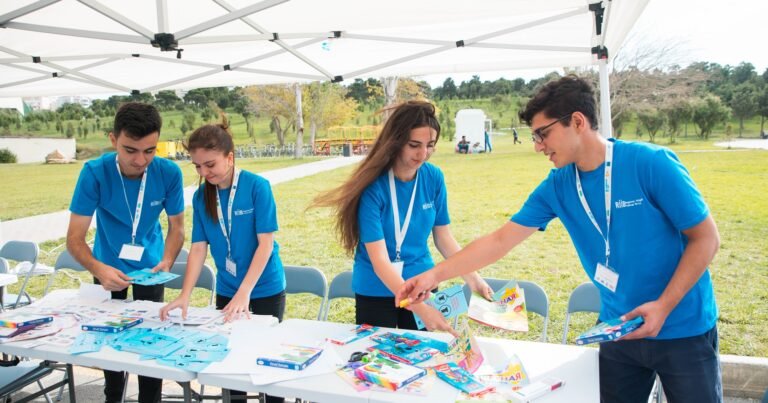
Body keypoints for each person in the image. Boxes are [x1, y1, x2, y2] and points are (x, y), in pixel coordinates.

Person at [396, 76, 722, 403]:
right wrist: (433, 276)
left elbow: (706, 238)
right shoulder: (558, 186)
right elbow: (499, 241)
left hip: (683, 327)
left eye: (543, 133)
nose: (538, 145)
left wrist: (663, 307)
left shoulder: (650, 164)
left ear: (577, 121)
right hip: (619, 328)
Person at [313, 101, 492, 333]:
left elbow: (443, 237)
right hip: (376, 288)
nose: (423, 154)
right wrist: (420, 309)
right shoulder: (373, 187)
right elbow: (380, 261)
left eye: (430, 145)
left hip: (422, 285)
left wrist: (473, 278)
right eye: (414, 145)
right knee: (378, 359)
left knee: (423, 358)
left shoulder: (434, 178)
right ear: (396, 141)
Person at [159, 123, 286, 403]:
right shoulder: (201, 196)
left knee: (266, 361)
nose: (204, 173)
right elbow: (197, 249)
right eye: (197, 167)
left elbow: (265, 245)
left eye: (210, 164)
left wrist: (245, 292)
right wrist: (185, 295)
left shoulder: (257, 187)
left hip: (264, 287)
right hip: (228, 289)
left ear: (230, 157)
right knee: (229, 361)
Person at [67, 102, 185, 403]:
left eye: (150, 150)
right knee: (109, 346)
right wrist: (98, 269)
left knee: (150, 345)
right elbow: (75, 240)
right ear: (113, 140)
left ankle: (150, 399)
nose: (141, 160)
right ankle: (113, 397)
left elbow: (177, 229)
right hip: (107, 269)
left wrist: (167, 261)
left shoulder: (169, 172)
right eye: (130, 150)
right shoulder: (94, 172)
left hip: (151, 269)